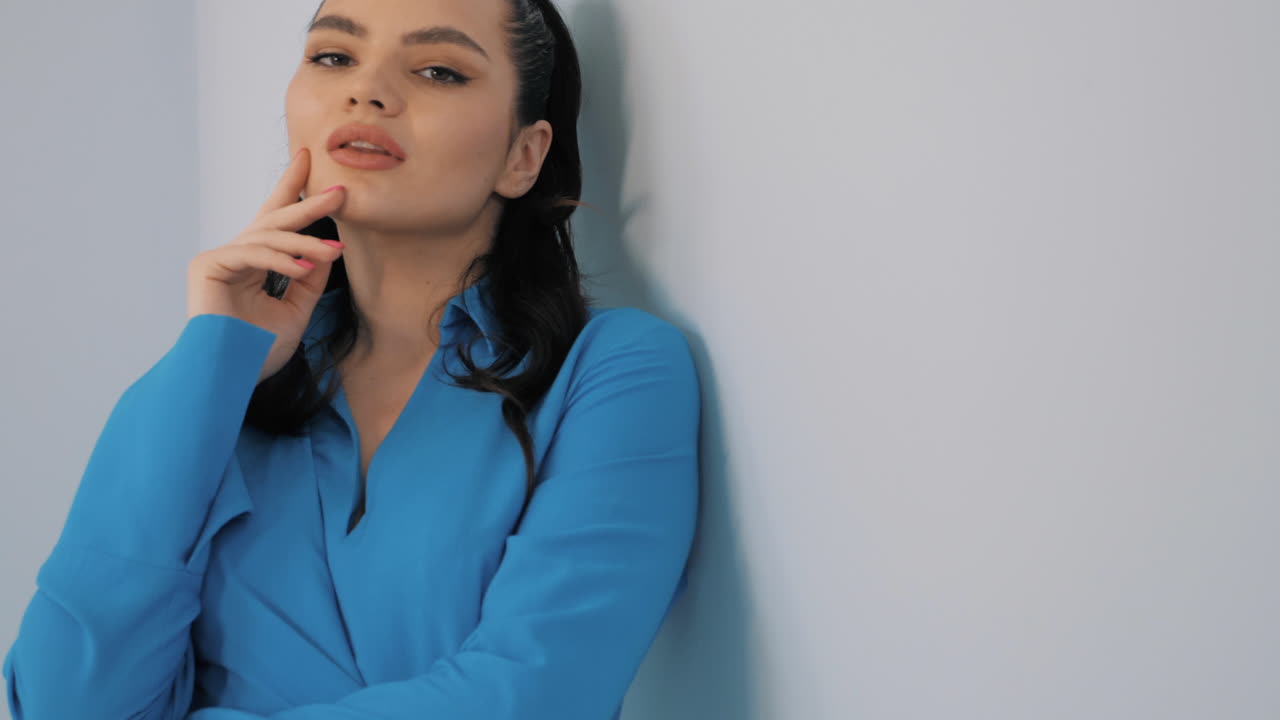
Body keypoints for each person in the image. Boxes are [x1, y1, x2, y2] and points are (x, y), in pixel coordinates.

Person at [1, 0, 701, 718]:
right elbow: (64, 703)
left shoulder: (612, 373)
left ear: (523, 156)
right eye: (334, 57)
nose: (366, 90)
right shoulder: (217, 391)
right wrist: (213, 357)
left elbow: (533, 697)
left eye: (438, 70)